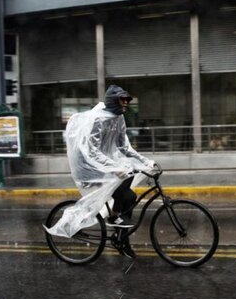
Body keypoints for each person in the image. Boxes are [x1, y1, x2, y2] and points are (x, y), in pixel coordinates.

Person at [45, 85, 156, 259]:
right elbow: (91, 151)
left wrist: (146, 162)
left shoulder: (118, 118)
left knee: (130, 196)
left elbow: (123, 147)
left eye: (127, 100)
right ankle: (80, 223)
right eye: (122, 100)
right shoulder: (98, 119)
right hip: (87, 167)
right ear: (113, 101)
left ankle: (122, 239)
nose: (126, 103)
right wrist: (114, 167)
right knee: (122, 188)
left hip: (101, 164)